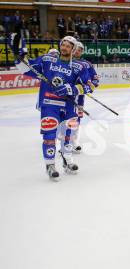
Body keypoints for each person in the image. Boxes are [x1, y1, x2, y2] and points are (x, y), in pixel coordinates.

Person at [13, 35, 92, 181]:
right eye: (63, 44)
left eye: (68, 46)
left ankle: (67, 159)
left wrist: (72, 89)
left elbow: (90, 85)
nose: (65, 47)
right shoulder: (47, 60)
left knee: (68, 135)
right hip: (50, 103)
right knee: (49, 135)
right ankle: (50, 164)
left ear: (73, 49)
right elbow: (27, 69)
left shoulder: (79, 66)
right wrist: (19, 58)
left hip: (69, 105)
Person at [69, 41, 99, 153]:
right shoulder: (66, 61)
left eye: (80, 50)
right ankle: (63, 139)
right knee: (66, 116)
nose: (78, 51)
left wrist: (91, 85)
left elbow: (94, 79)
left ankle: (75, 140)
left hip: (80, 96)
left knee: (77, 117)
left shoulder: (86, 64)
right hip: (66, 95)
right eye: (76, 48)